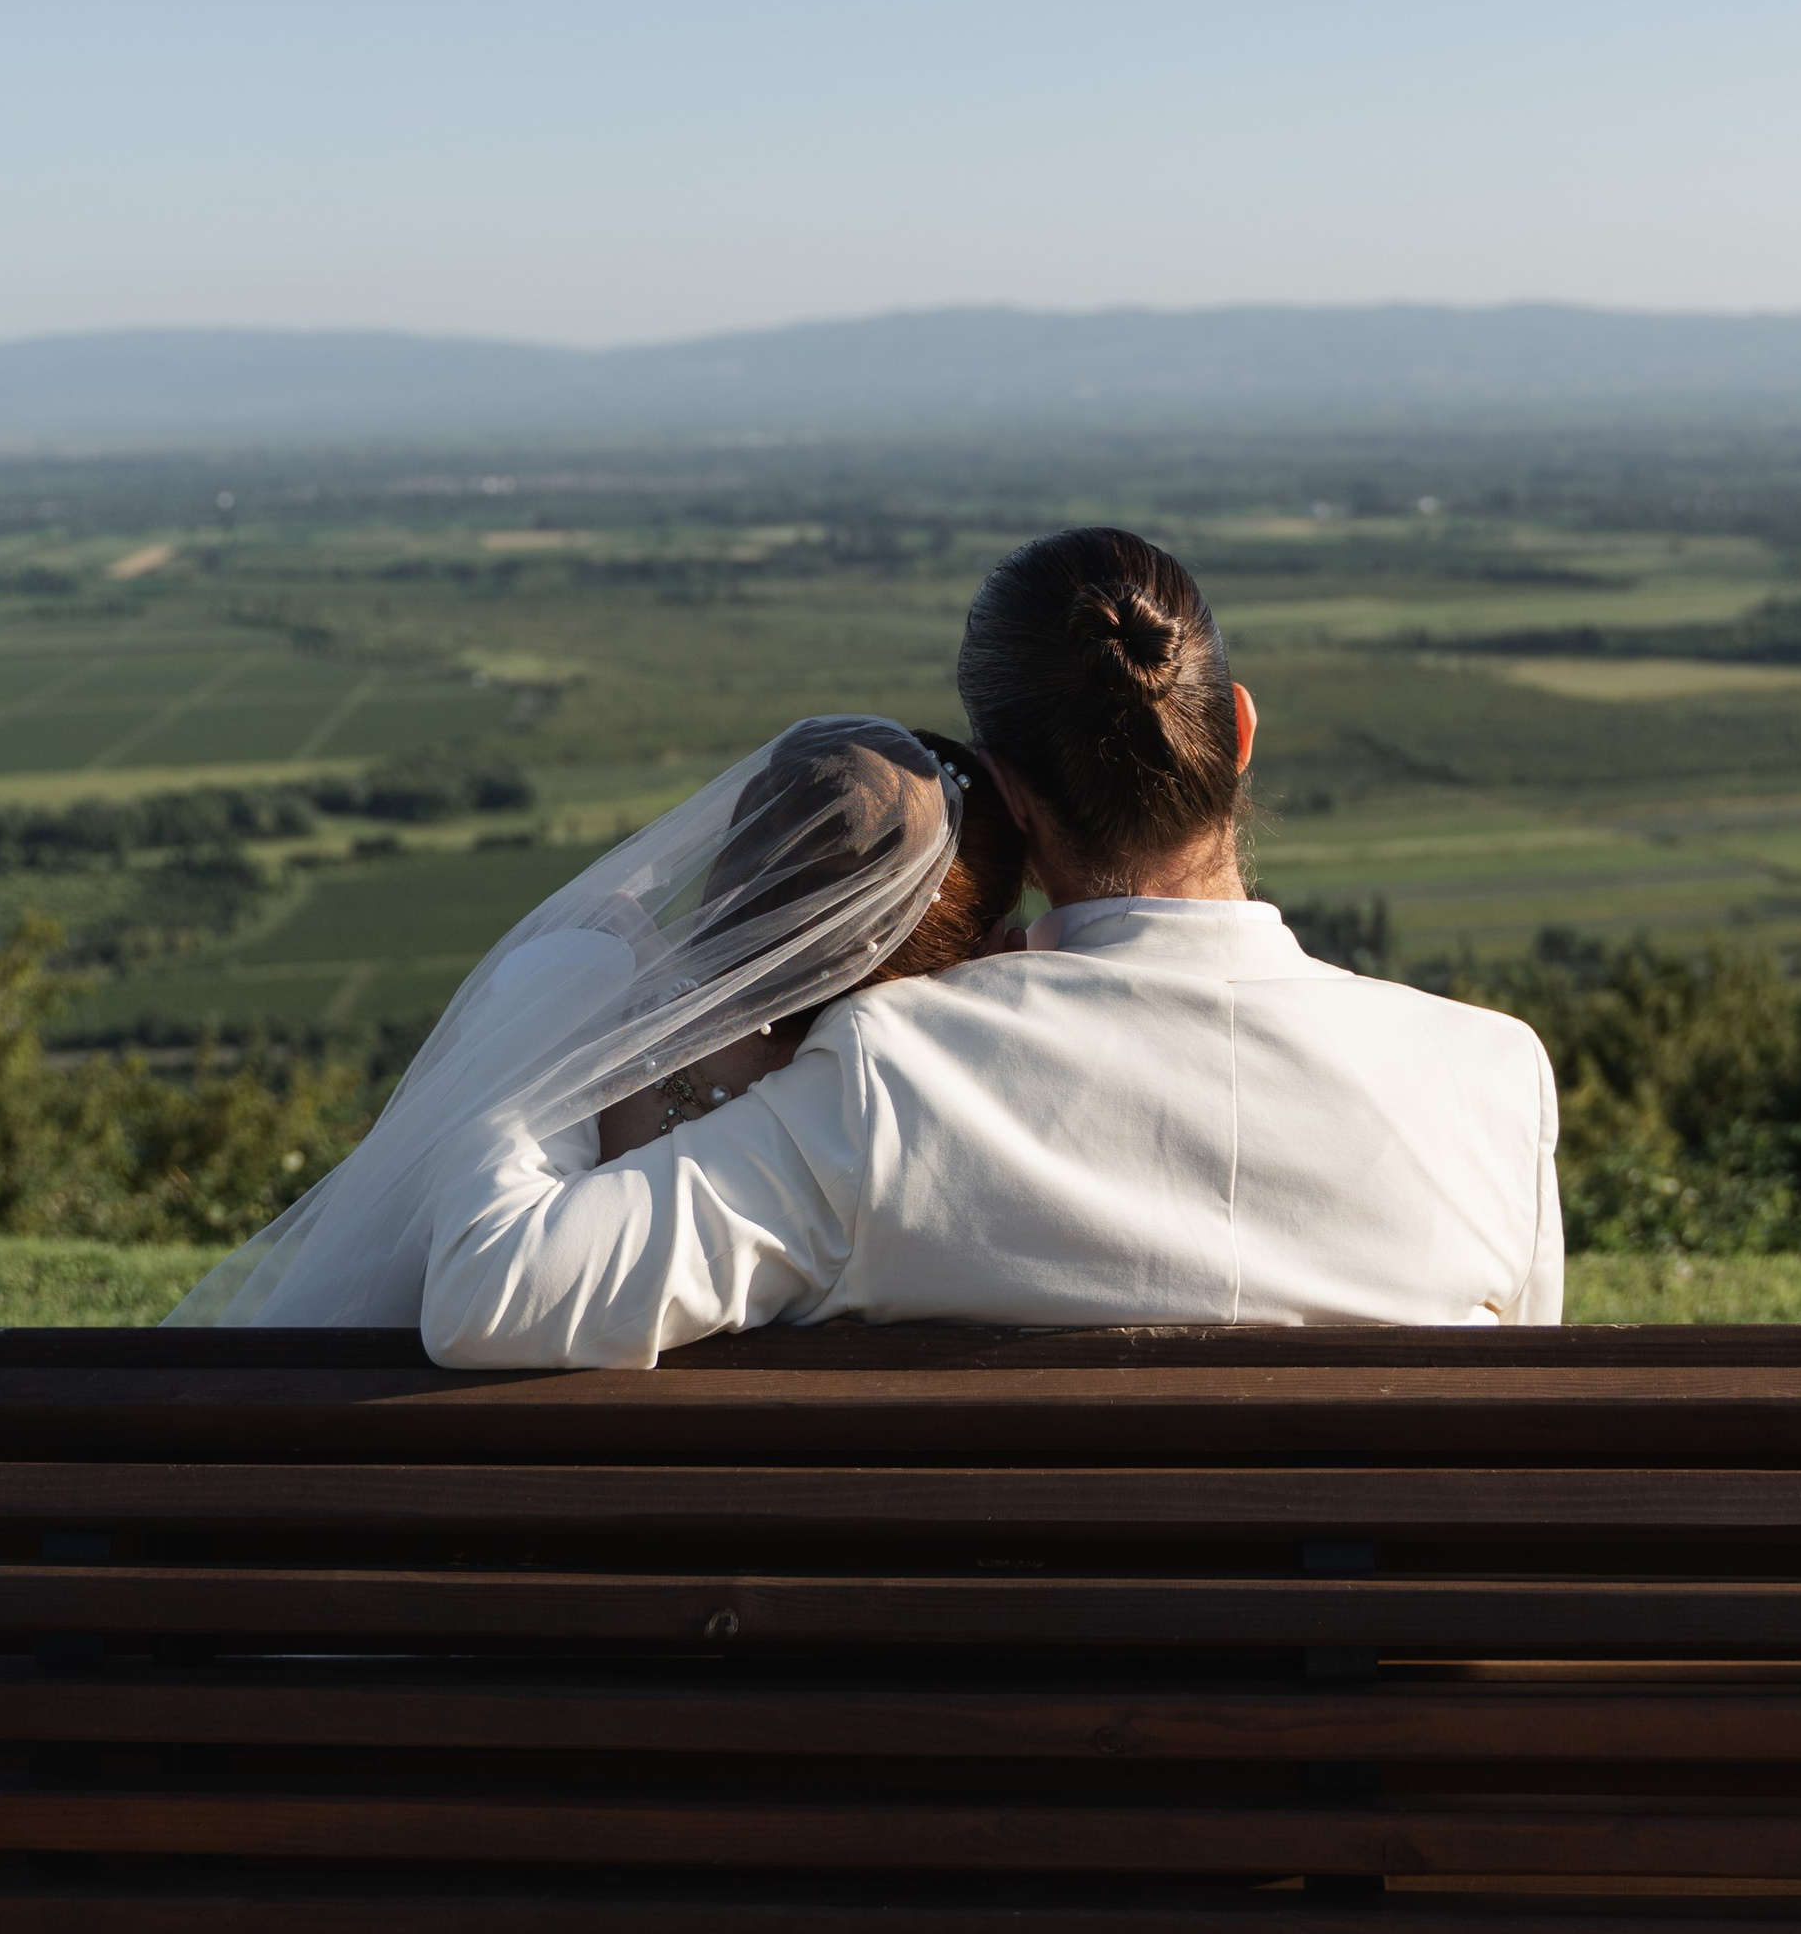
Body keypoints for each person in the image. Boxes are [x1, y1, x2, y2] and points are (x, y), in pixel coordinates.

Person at [262, 525, 1556, 1367]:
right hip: (1367, 1740)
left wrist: (571, 984)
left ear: (1007, 797)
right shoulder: (1495, 1076)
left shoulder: (896, 1070)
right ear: (1246, 732)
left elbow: (499, 1292)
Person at [166, 715, 1023, 1333]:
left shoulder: (588, 1012)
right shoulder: (894, 1137)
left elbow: (466, 1282)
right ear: (963, 954)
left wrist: (556, 993)